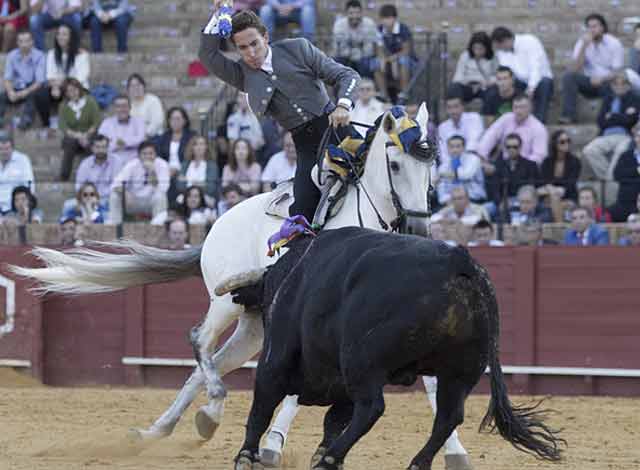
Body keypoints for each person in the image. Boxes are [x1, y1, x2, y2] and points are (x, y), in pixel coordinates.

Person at [200, 5, 359, 222]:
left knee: (384, 176)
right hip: (306, 147)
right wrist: (218, 18)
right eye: (243, 48)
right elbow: (207, 55)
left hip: (338, 131)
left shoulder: (298, 48)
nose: (251, 53)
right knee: (302, 214)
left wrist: (343, 105)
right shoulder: (241, 74)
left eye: (254, 43)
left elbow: (347, 76)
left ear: (265, 37)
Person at [582, 72, 639, 197]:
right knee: (589, 150)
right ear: (612, 85)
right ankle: (611, 180)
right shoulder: (608, 99)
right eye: (615, 83)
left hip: (625, 136)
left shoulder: (634, 99)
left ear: (628, 85)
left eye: (623, 83)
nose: (619, 86)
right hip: (606, 136)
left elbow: (631, 120)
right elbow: (601, 121)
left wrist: (612, 116)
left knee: (621, 152)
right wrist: (621, 116)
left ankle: (608, 185)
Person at [560, 13, 624, 124]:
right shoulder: (582, 42)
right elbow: (575, 69)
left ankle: (606, 119)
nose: (592, 30)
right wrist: (584, 46)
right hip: (588, 81)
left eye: (595, 26)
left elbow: (617, 71)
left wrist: (602, 79)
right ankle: (568, 116)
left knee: (614, 84)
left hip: (607, 81)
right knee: (568, 77)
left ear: (602, 28)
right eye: (589, 27)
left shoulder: (614, 43)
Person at [491, 26, 553, 123]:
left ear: (506, 40)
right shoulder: (501, 52)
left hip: (540, 80)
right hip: (520, 81)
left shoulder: (530, 41)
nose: (499, 49)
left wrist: (531, 87)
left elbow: (536, 67)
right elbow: (505, 71)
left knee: (545, 84)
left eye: (500, 46)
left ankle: (539, 121)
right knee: (504, 85)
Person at [39, 23, 89, 128]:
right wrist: (54, 86)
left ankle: (69, 123)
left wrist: (59, 84)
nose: (60, 37)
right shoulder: (52, 53)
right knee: (40, 95)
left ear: (72, 37)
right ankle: (46, 124)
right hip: (58, 87)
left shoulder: (82, 54)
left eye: (64, 34)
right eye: (58, 34)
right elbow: (49, 76)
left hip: (78, 88)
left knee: (71, 92)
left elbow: (80, 78)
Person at [108, 140, 170, 223]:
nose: (148, 156)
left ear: (155, 154)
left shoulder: (162, 164)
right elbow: (114, 185)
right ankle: (115, 228)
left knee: (161, 197)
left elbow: (163, 189)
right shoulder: (132, 164)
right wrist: (125, 192)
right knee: (114, 196)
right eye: (144, 154)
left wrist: (152, 172)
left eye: (151, 153)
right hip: (132, 201)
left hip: (151, 202)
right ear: (139, 155)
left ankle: (158, 227)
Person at [476, 94, 548, 165]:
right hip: (504, 164)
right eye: (515, 107)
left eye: (522, 107)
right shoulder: (506, 118)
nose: (518, 111)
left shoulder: (538, 128)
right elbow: (490, 137)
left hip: (526, 167)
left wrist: (520, 168)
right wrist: (481, 157)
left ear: (530, 108)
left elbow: (538, 156)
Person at [484, 133, 539, 218]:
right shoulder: (499, 165)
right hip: (502, 201)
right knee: (485, 209)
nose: (511, 149)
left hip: (523, 200)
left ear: (520, 148)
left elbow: (531, 186)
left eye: (515, 147)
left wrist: (516, 200)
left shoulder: (530, 165)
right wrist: (500, 202)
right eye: (508, 147)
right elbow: (494, 188)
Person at [0, 29, 47, 129]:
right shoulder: (11, 55)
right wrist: (10, 92)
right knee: (2, 96)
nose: (24, 44)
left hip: (32, 87)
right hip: (16, 87)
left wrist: (25, 92)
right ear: (17, 43)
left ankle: (26, 121)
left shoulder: (39, 56)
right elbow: (7, 78)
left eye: (27, 41)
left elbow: (39, 81)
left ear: (32, 42)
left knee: (34, 95)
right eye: (21, 41)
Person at [58, 77, 102, 181]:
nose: (72, 93)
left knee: (91, 145)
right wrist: (78, 136)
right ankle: (64, 176)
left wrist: (86, 135)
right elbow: (63, 126)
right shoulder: (64, 106)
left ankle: (93, 176)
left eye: (74, 89)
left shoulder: (90, 102)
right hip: (73, 137)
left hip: (89, 135)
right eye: (69, 91)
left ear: (79, 89)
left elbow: (96, 122)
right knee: (69, 142)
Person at [374, 4, 414, 103]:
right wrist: (383, 58)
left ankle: (404, 93)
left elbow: (406, 50)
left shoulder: (403, 29)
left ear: (394, 18)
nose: (386, 21)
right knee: (376, 63)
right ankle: (384, 95)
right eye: (384, 18)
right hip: (388, 59)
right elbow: (379, 49)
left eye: (389, 18)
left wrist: (393, 59)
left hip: (403, 58)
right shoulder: (379, 30)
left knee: (403, 61)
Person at [331, 0, 378, 79]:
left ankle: (365, 88)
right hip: (345, 56)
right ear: (346, 14)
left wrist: (355, 54)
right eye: (351, 13)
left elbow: (369, 50)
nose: (355, 16)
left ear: (361, 13)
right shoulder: (339, 25)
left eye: (357, 13)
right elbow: (339, 49)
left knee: (366, 63)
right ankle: (339, 90)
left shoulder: (369, 23)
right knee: (335, 64)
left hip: (363, 56)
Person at [449, 31, 498, 104]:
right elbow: (458, 76)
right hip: (467, 86)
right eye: (475, 48)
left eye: (481, 49)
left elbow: (496, 75)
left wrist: (484, 83)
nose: (477, 52)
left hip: (484, 87)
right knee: (454, 88)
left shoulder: (493, 58)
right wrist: (469, 83)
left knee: (493, 92)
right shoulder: (465, 56)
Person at [436, 135, 486, 205]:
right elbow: (441, 191)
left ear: (464, 147)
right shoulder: (443, 166)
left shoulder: (473, 159)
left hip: (474, 199)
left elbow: (466, 175)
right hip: (451, 202)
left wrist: (443, 175)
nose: (455, 150)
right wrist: (447, 200)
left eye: (458, 146)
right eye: (451, 147)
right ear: (447, 148)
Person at [75, 133, 122, 206]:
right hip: (89, 199)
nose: (101, 150)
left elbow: (117, 186)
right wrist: (89, 197)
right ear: (92, 148)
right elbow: (79, 185)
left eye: (104, 147)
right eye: (97, 147)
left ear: (108, 148)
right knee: (68, 205)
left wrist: (98, 197)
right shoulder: (85, 163)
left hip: (109, 199)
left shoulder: (116, 161)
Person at [97, 94, 145, 163]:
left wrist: (124, 142)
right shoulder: (106, 123)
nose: (122, 109)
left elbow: (141, 140)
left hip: (134, 161)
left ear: (130, 107)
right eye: (118, 106)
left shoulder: (139, 122)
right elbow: (100, 143)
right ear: (114, 108)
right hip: (111, 162)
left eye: (124, 106)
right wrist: (116, 145)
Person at [437, 93, 484, 163]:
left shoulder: (474, 118)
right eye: (449, 107)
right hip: (451, 164)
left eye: (456, 106)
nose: (453, 111)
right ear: (446, 109)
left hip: (473, 160)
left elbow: (472, 145)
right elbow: (443, 153)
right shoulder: (442, 127)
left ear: (462, 107)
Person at [539, 130, 581, 204]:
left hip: (568, 195)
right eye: (562, 142)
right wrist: (551, 189)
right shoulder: (547, 162)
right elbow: (543, 180)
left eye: (568, 141)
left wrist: (557, 191)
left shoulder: (575, 161)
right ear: (555, 144)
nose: (566, 144)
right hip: (549, 193)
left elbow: (571, 183)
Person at [176, 135, 220, 204]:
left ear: (206, 147)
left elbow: (211, 187)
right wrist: (201, 183)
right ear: (192, 147)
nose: (199, 147)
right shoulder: (185, 164)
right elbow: (180, 185)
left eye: (202, 144)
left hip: (205, 197)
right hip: (186, 197)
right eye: (196, 144)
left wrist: (189, 182)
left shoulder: (212, 165)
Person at [609, 126, 640, 222]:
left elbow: (624, 177)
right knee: (612, 212)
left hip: (632, 195)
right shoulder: (625, 155)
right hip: (626, 201)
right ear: (634, 138)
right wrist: (637, 171)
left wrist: (629, 179)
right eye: (638, 136)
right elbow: (617, 175)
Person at [0, 129, 34, 213]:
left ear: (12, 148)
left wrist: (26, 203)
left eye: (7, 148)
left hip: (15, 206)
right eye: (1, 149)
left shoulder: (23, 160)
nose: (4, 152)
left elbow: (29, 184)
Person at [128, 73, 164, 139]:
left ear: (143, 86)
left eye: (138, 85)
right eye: (132, 86)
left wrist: (145, 135)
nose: (136, 88)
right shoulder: (129, 104)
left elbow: (157, 122)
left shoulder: (153, 100)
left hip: (153, 137)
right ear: (129, 89)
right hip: (135, 139)